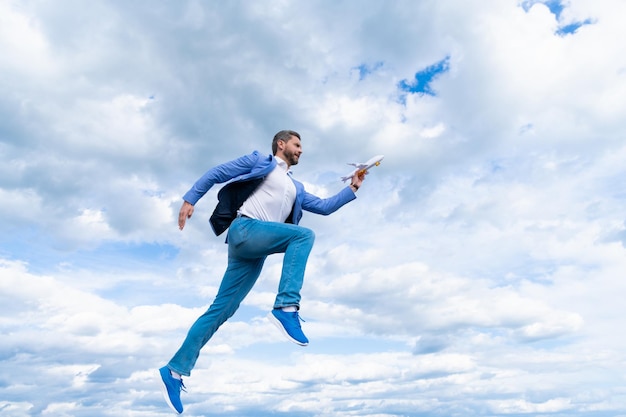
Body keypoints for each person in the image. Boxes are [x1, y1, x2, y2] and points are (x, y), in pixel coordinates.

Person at [158, 130, 365, 414]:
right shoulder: (260, 161)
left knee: (221, 310)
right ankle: (286, 307)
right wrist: (190, 199)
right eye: (297, 145)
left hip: (254, 251)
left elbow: (326, 207)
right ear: (281, 144)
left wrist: (354, 187)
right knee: (303, 236)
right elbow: (218, 172)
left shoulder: (297, 188)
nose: (301, 150)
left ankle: (174, 370)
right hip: (244, 230)